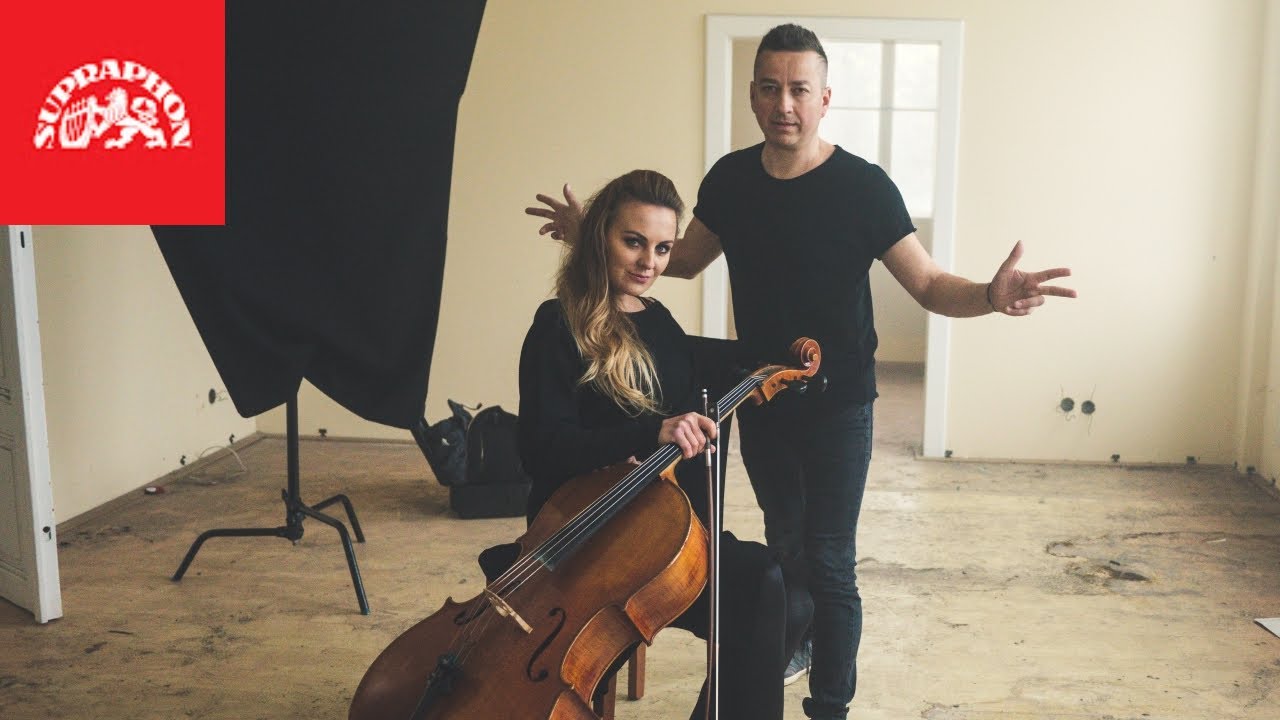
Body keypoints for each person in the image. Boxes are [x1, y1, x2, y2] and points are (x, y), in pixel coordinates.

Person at [526, 24, 1077, 720]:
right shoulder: (730, 181)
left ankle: (830, 706)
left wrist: (991, 297)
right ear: (753, 96)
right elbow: (680, 259)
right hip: (762, 400)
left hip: (839, 406)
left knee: (830, 559)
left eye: (799, 89)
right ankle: (792, 641)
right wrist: (594, 234)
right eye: (769, 88)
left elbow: (931, 285)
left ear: (824, 99)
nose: (783, 104)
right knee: (785, 547)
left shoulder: (865, 188)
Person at [517, 168, 811, 720]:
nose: (648, 262)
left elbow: (704, 375)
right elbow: (540, 448)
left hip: (658, 530)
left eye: (662, 248)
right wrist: (649, 431)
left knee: (792, 595)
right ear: (599, 237)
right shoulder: (557, 325)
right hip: (585, 535)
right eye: (633, 242)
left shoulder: (659, 322)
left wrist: (783, 355)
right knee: (762, 583)